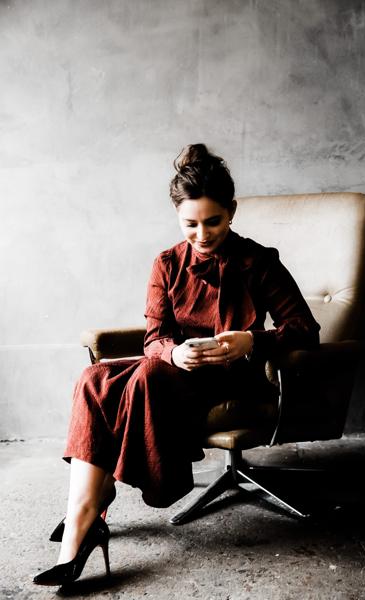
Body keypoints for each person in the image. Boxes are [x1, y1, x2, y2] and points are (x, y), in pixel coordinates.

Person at [33, 143, 320, 587]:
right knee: (93, 378)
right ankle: (82, 519)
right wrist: (174, 353)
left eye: (213, 221)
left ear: (232, 212)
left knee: (146, 375)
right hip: (173, 372)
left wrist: (251, 340)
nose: (202, 234)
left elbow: (304, 328)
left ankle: (98, 500)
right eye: (190, 224)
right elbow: (154, 339)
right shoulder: (166, 263)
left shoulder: (260, 261)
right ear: (177, 218)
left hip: (234, 377)